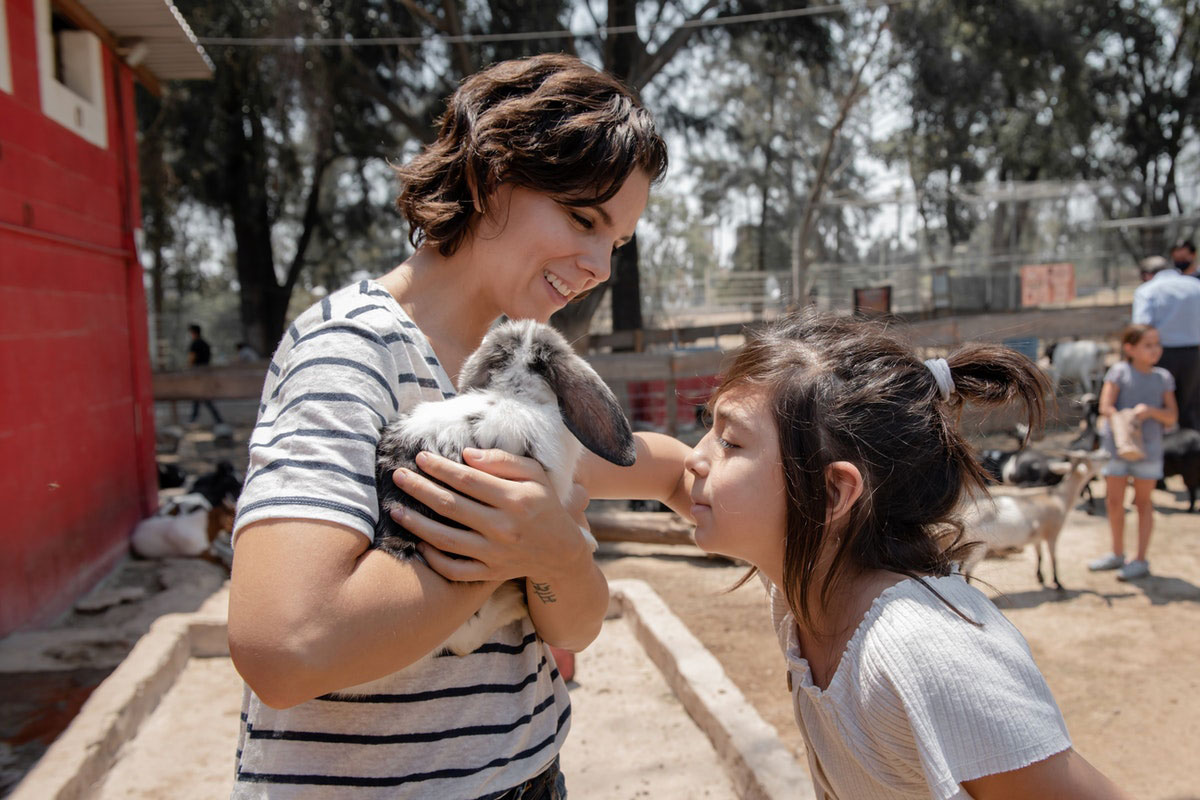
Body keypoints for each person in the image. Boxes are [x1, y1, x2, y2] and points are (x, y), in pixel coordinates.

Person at [227, 54, 685, 799]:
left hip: (530, 770)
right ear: (491, 175)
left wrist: (566, 553)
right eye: (582, 218)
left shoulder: (520, 367)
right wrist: (510, 548)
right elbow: (285, 647)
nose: (600, 264)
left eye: (618, 242)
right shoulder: (353, 348)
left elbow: (573, 620)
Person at [675, 310, 1127, 799]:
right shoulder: (805, 573)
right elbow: (658, 467)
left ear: (831, 494)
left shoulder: (926, 649)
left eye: (730, 440)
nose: (694, 457)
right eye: (708, 425)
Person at [1087, 324, 1178, 580]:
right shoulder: (1118, 372)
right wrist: (1126, 420)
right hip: (1116, 449)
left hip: (1149, 450)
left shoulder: (1163, 378)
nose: (1155, 350)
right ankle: (1117, 553)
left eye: (1156, 344)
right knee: (1114, 502)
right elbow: (1106, 406)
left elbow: (1171, 416)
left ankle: (1140, 559)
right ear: (1130, 348)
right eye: (1148, 345)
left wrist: (1150, 411)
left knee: (1143, 503)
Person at [1132, 254, 1200, 428]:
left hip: (1159, 356)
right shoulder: (1195, 286)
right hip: (1195, 355)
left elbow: (1142, 328)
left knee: (1159, 407)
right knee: (1191, 408)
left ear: (1147, 274)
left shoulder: (1147, 290)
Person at [186, 323, 223, 424]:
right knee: (200, 396)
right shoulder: (205, 343)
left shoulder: (195, 343)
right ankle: (194, 418)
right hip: (206, 372)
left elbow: (191, 358)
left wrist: (188, 368)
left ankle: (195, 419)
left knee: (202, 396)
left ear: (193, 332)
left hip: (198, 373)